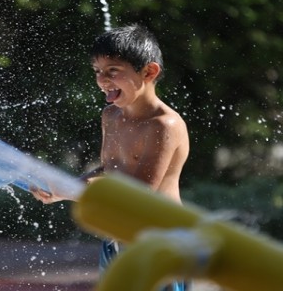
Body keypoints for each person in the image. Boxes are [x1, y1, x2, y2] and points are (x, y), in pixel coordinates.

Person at [31, 24, 190, 291]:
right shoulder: (111, 116)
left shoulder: (165, 125)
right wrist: (64, 187)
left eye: (113, 71)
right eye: (97, 71)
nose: (102, 80)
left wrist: (73, 190)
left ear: (149, 72)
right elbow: (111, 169)